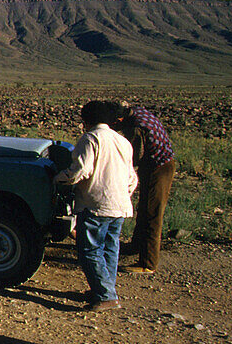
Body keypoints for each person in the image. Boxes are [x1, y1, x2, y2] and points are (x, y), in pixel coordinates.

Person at [55, 100, 138, 312]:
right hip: (119, 205)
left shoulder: (90, 138)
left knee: (90, 250)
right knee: (110, 249)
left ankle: (105, 295)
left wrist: (59, 179)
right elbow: (132, 178)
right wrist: (122, 195)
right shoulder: (122, 141)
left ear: (86, 120)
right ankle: (105, 290)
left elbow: (81, 171)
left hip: (96, 204)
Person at [114, 102, 176, 274]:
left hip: (159, 167)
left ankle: (148, 263)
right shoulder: (137, 112)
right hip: (157, 163)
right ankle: (136, 246)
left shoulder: (135, 127)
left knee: (152, 214)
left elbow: (135, 157)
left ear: (120, 119)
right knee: (144, 208)